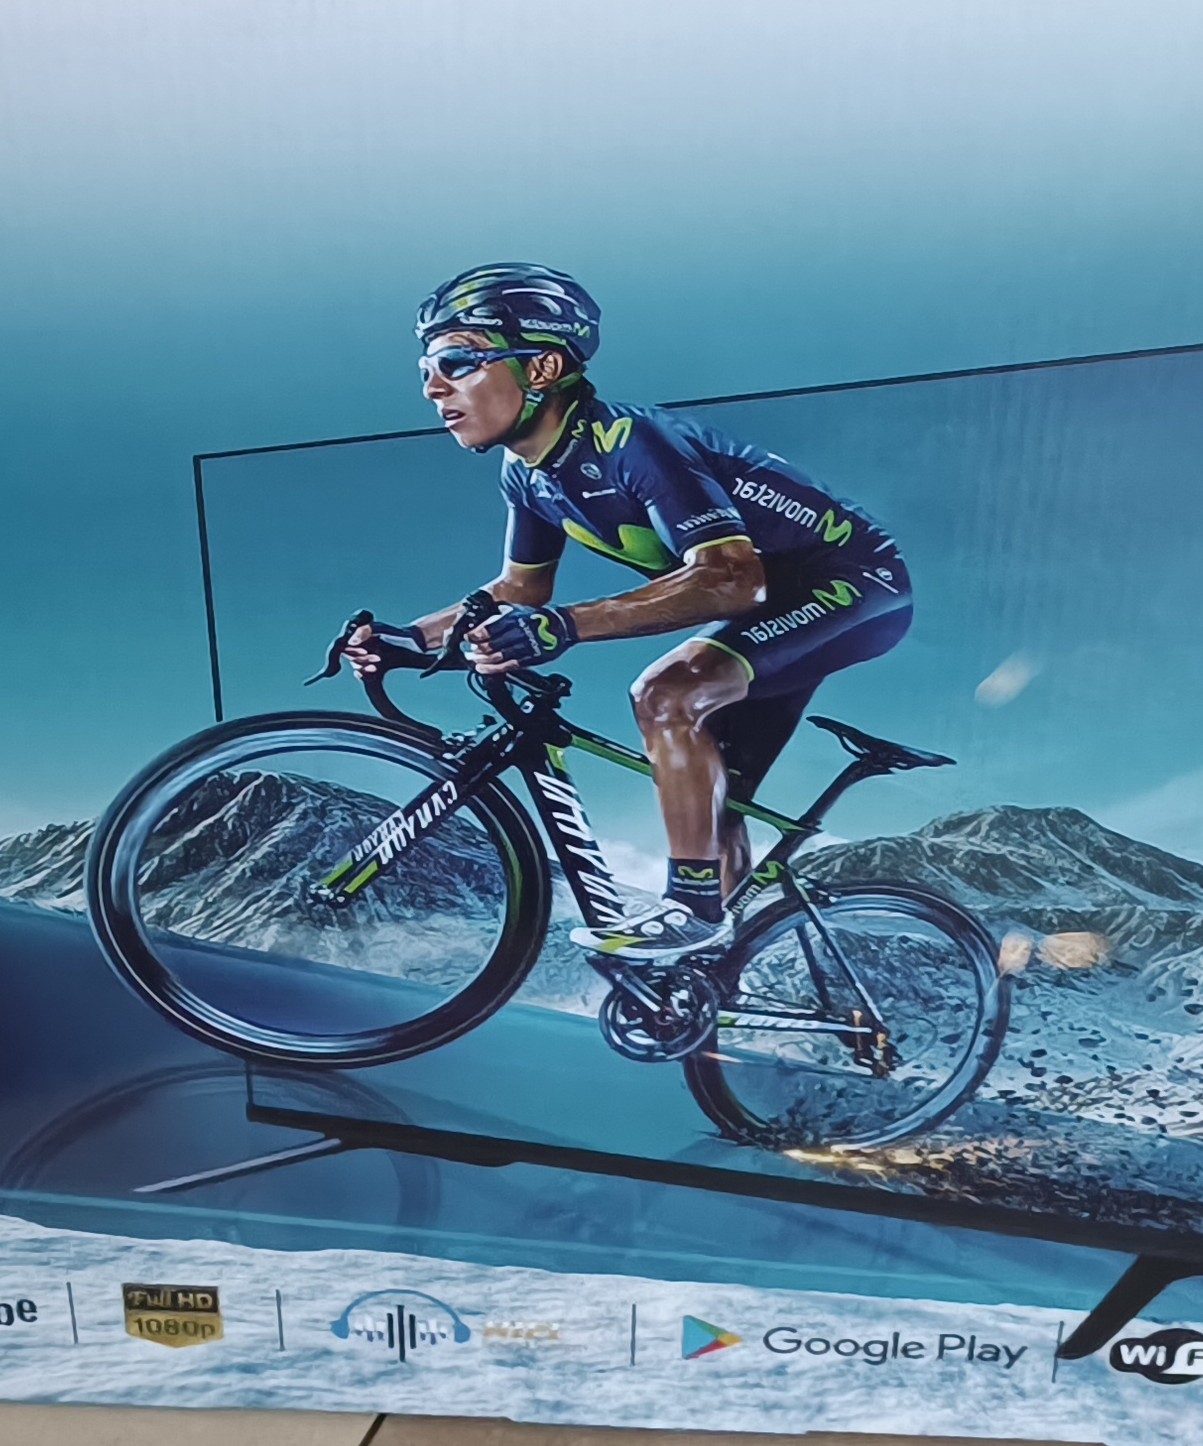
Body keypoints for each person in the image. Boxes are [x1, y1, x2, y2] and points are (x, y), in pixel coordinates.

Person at [341, 265, 913, 959]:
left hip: (851, 583)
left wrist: (565, 628)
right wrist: (411, 639)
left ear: (543, 367)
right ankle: (711, 976)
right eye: (427, 368)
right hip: (772, 598)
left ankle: (691, 912)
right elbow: (521, 588)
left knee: (666, 694)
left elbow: (730, 579)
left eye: (457, 361)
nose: (433, 386)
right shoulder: (526, 474)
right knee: (712, 801)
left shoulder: (631, 442)